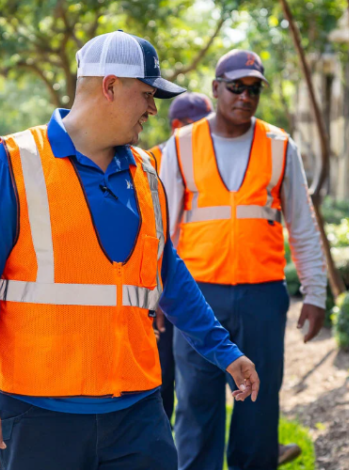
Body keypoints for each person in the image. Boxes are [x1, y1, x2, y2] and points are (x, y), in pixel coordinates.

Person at [0, 31, 261, 470]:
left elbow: (168, 274)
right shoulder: (12, 163)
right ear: (110, 86)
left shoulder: (146, 173)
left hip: (136, 414)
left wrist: (224, 351)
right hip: (37, 413)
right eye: (147, 95)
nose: (153, 109)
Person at [159, 49, 328, 470]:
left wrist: (315, 292)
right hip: (197, 298)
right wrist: (154, 296)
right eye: (236, 87)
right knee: (195, 409)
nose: (245, 96)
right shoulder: (182, 145)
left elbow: (302, 225)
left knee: (258, 408)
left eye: (254, 89)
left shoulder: (279, 145)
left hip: (262, 297)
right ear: (216, 88)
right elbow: (160, 230)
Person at [145, 91, 213, 422]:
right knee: (162, 377)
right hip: (161, 289)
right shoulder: (148, 163)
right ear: (177, 126)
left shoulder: (208, 164)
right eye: (199, 125)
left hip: (192, 287)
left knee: (194, 382)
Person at [146, 92, 213, 173]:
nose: (208, 131)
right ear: (176, 125)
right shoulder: (150, 161)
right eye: (199, 126)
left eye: (210, 125)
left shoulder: (211, 158)